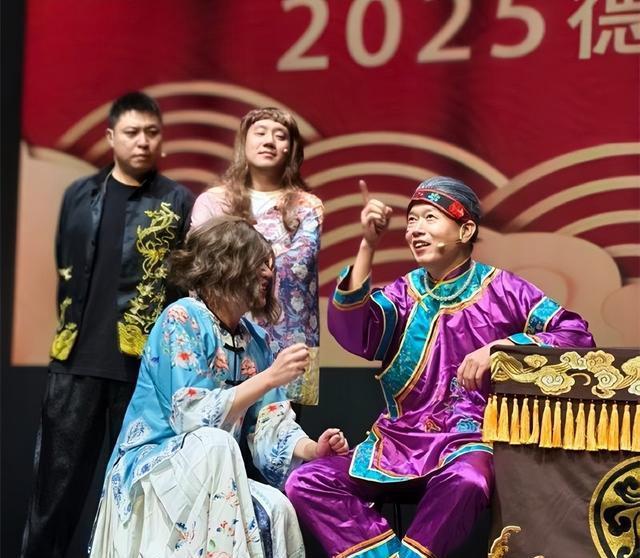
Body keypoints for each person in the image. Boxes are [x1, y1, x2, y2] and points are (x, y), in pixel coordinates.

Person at [286, 176, 595, 558]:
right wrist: (368, 244)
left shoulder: (504, 290)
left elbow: (575, 335)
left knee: (468, 481)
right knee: (306, 482)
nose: (415, 230)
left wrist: (501, 348)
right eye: (411, 221)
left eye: (429, 218)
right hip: (398, 441)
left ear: (466, 230)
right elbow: (356, 331)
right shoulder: (403, 293)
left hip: (468, 440)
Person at [89, 216, 349, 558]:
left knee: (277, 506)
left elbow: (271, 424)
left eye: (270, 266)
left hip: (211, 470)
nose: (268, 274)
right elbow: (190, 416)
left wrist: (314, 450)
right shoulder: (181, 318)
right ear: (227, 263)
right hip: (155, 467)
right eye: (259, 264)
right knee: (216, 443)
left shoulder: (255, 340)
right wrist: (269, 377)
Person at [21, 92, 195, 558]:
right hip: (75, 362)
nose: (143, 142)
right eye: (132, 132)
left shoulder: (177, 200)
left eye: (152, 133)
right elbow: (65, 263)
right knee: (53, 492)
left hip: (140, 368)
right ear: (111, 137)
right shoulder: (80, 195)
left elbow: (181, 283)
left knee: (135, 493)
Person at [190, 107, 322, 361]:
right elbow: (201, 268)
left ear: (290, 149)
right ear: (244, 142)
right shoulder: (213, 201)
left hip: (290, 344)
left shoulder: (306, 206)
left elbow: (298, 265)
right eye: (260, 132)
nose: (269, 141)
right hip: (222, 339)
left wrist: (235, 258)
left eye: (280, 136)